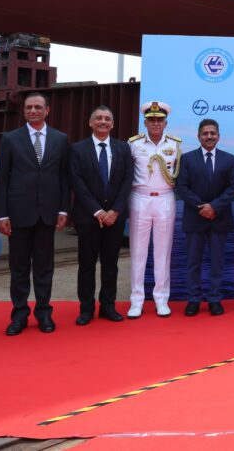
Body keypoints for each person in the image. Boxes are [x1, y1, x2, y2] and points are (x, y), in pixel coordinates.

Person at [0, 92, 70, 336]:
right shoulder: (10, 139)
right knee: (18, 268)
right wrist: (1, 214)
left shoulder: (60, 139)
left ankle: (44, 313)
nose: (33, 111)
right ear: (24, 111)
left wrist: (63, 209)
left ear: (47, 110)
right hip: (18, 214)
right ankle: (19, 315)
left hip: (47, 213)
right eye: (29, 107)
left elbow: (64, 177)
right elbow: (2, 179)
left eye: (38, 107)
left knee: (44, 267)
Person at [69, 105, 133, 326]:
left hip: (115, 217)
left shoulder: (123, 149)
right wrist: (97, 211)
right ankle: (86, 309)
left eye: (107, 118)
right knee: (86, 265)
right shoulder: (77, 149)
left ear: (112, 124)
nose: (103, 121)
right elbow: (77, 182)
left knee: (110, 264)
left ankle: (108, 306)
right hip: (88, 217)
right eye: (98, 118)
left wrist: (115, 210)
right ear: (90, 122)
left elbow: (127, 180)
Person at [176, 118, 234, 317]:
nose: (209, 136)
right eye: (205, 133)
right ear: (199, 136)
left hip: (219, 218)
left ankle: (214, 299)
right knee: (193, 263)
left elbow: (233, 187)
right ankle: (193, 299)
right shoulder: (187, 159)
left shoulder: (229, 159)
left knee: (217, 263)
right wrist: (201, 206)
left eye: (213, 133)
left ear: (218, 136)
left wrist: (214, 207)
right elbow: (182, 187)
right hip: (195, 217)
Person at [127, 100, 181, 319]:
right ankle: (136, 301)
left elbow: (179, 174)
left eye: (160, 120)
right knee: (138, 252)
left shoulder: (175, 145)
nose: (156, 123)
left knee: (162, 252)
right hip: (140, 197)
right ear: (145, 122)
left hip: (165, 199)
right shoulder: (134, 144)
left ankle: (161, 299)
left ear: (166, 123)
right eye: (151, 120)